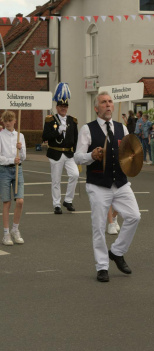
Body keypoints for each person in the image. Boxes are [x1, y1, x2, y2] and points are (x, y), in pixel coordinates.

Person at [74, 91, 141, 283]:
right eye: (103, 102)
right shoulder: (88, 129)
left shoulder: (122, 129)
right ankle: (102, 266)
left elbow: (130, 152)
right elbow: (77, 157)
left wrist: (134, 160)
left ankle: (117, 252)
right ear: (96, 108)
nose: (108, 105)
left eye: (110, 102)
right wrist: (91, 156)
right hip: (98, 184)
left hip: (120, 182)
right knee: (98, 226)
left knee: (134, 216)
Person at [42, 82, 79, 214]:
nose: (63, 108)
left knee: (75, 174)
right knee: (56, 180)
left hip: (69, 154)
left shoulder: (72, 121)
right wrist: (57, 132)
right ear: (57, 107)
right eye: (61, 106)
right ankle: (56, 204)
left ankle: (68, 200)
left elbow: (76, 139)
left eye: (65, 106)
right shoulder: (50, 120)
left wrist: (77, 154)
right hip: (55, 153)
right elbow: (44, 136)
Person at [0, 110, 26, 245]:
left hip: (18, 170)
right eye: (6, 121)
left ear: (15, 121)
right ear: (3, 122)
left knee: (20, 201)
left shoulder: (20, 136)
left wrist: (20, 149)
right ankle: (6, 234)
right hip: (4, 170)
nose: (8, 123)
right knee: (7, 202)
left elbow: (24, 157)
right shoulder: (0, 136)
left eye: (11, 120)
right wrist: (11, 159)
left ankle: (15, 230)